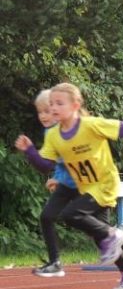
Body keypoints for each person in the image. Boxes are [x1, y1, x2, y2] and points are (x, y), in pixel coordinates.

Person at [15, 82, 123, 289]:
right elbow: (45, 165)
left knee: (72, 214)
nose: (53, 108)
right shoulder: (53, 135)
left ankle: (119, 234)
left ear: (75, 105)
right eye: (51, 104)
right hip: (85, 186)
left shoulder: (90, 125)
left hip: (105, 183)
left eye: (59, 103)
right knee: (103, 241)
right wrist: (30, 150)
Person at [31, 89, 80, 277]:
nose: (44, 116)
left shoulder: (72, 129)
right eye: (40, 112)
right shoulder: (49, 132)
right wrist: (57, 178)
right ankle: (55, 262)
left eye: (48, 111)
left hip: (86, 184)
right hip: (67, 184)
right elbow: (56, 161)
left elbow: (75, 158)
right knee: (46, 216)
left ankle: (121, 237)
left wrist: (58, 178)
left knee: (97, 230)